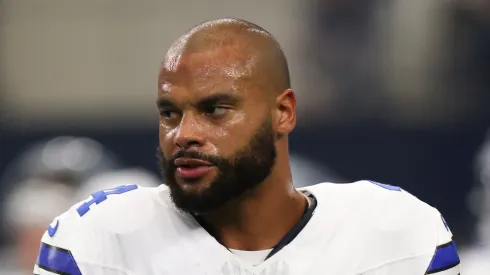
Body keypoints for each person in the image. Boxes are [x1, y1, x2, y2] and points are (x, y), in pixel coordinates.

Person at [33, 18, 460, 275]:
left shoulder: (397, 235)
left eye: (215, 109)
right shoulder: (100, 241)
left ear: (284, 113)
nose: (183, 134)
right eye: (169, 113)